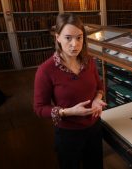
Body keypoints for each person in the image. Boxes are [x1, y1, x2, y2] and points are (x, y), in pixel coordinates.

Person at [34, 13, 106, 169]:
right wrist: (67, 112)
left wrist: (97, 98)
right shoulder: (45, 70)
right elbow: (39, 108)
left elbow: (100, 86)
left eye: (79, 37)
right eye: (68, 38)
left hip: (94, 128)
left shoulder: (89, 61)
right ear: (57, 37)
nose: (75, 44)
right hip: (68, 133)